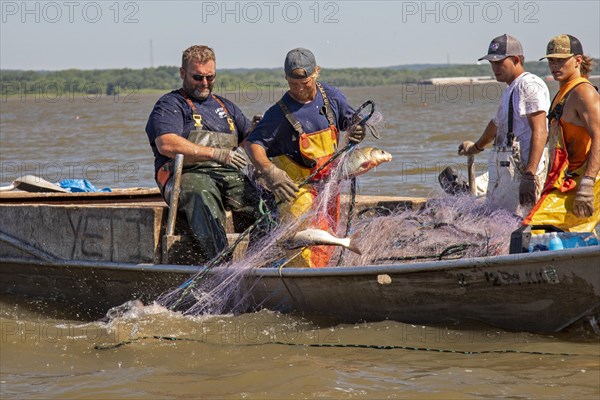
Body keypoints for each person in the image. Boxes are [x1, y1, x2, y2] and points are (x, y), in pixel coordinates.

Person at [244, 48, 366, 268]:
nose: (299, 89)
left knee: (327, 239)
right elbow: (253, 144)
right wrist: (270, 171)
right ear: (286, 78)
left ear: (317, 72)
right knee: (301, 244)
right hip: (294, 187)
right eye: (293, 83)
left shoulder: (332, 97)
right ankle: (300, 280)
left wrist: (358, 130)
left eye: (305, 82)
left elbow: (353, 122)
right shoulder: (279, 113)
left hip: (328, 185)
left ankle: (322, 280)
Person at [145, 45, 262, 261]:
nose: (205, 83)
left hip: (226, 175)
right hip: (183, 177)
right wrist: (216, 154)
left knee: (263, 199)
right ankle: (220, 264)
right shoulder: (170, 105)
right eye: (198, 77)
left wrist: (261, 134)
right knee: (201, 191)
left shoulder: (227, 107)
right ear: (183, 73)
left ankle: (262, 258)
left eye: (210, 77)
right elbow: (167, 144)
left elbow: (250, 143)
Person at [442, 34, 550, 217]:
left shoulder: (529, 85)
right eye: (492, 63)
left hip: (523, 171)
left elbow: (540, 130)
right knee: (498, 220)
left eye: (499, 63)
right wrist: (475, 147)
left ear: (516, 59)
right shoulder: (511, 88)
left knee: (520, 223)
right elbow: (496, 125)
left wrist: (530, 175)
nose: (494, 68)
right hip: (505, 170)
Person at [523, 34, 600, 232]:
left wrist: (587, 184)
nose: (555, 65)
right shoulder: (562, 93)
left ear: (578, 61)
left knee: (536, 230)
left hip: (584, 183)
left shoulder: (583, 92)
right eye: (551, 60)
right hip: (565, 182)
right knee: (562, 236)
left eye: (561, 60)